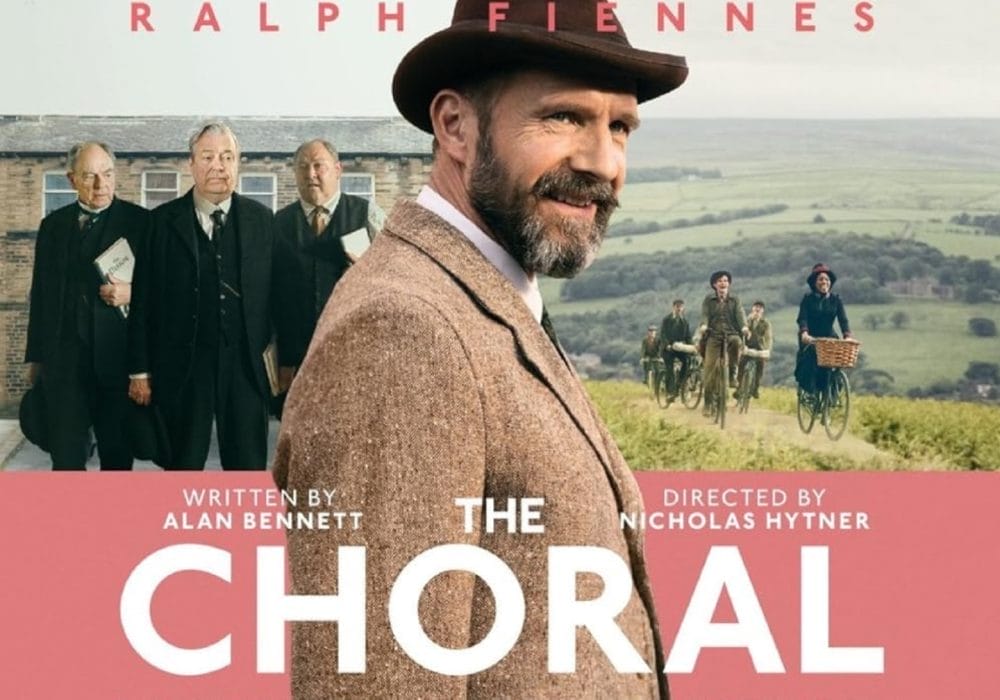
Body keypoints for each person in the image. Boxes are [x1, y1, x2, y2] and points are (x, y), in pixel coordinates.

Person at [272, 0, 687, 696]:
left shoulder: (484, 295)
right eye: (563, 117)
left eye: (620, 126)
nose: (603, 162)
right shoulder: (403, 332)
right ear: (455, 126)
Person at [128, 122, 275, 470]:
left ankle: (244, 527)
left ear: (238, 163)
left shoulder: (263, 221)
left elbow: (277, 298)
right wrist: (138, 370)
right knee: (182, 465)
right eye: (208, 156)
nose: (218, 165)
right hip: (182, 364)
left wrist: (279, 363)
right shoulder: (160, 222)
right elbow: (143, 302)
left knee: (248, 468)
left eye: (227, 157)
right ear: (191, 164)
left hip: (245, 367)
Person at [24, 141, 149, 470]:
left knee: (117, 460)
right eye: (90, 176)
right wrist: (36, 359)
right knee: (65, 460)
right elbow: (40, 295)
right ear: (71, 179)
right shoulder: (52, 227)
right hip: (63, 364)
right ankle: (73, 522)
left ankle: (113, 522)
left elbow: (164, 294)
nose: (101, 185)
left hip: (116, 363)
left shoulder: (141, 223)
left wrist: (132, 292)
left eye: (107, 174)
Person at [272, 139, 385, 394]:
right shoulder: (277, 224)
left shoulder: (368, 215)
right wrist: (279, 362)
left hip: (354, 357)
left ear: (337, 170)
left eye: (318, 165)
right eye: (302, 167)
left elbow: (395, 280)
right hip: (296, 363)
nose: (310, 174)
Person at [795, 263, 852, 393]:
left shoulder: (836, 300)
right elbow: (802, 318)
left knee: (833, 361)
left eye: (827, 279)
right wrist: (804, 332)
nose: (824, 282)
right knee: (811, 359)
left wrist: (847, 336)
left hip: (828, 335)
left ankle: (830, 391)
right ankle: (812, 390)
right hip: (810, 336)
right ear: (815, 283)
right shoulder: (807, 299)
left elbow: (843, 320)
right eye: (820, 279)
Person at [698, 270, 749, 416]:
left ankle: (733, 374)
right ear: (714, 285)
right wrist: (703, 325)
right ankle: (707, 404)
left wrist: (744, 327)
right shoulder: (709, 300)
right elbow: (705, 315)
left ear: (729, 284)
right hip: (713, 336)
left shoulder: (735, 300)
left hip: (731, 333)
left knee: (737, 342)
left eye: (725, 281)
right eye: (719, 281)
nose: (723, 283)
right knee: (709, 369)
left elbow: (740, 314)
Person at [737, 300, 772, 399]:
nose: (757, 309)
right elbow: (741, 332)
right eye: (756, 307)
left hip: (759, 348)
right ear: (752, 309)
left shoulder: (766, 323)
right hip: (747, 346)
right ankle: (739, 388)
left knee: (760, 367)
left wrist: (767, 350)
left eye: (760, 307)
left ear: (762, 311)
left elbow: (768, 337)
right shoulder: (747, 320)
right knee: (741, 364)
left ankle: (755, 388)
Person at [659, 298, 692, 403]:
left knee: (687, 362)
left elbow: (688, 337)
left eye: (681, 307)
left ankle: (680, 384)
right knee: (670, 368)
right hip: (668, 349)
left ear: (683, 308)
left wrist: (692, 347)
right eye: (677, 306)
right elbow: (663, 334)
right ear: (673, 307)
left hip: (680, 348)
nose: (679, 309)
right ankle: (670, 392)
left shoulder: (685, 322)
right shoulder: (667, 320)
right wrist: (667, 345)